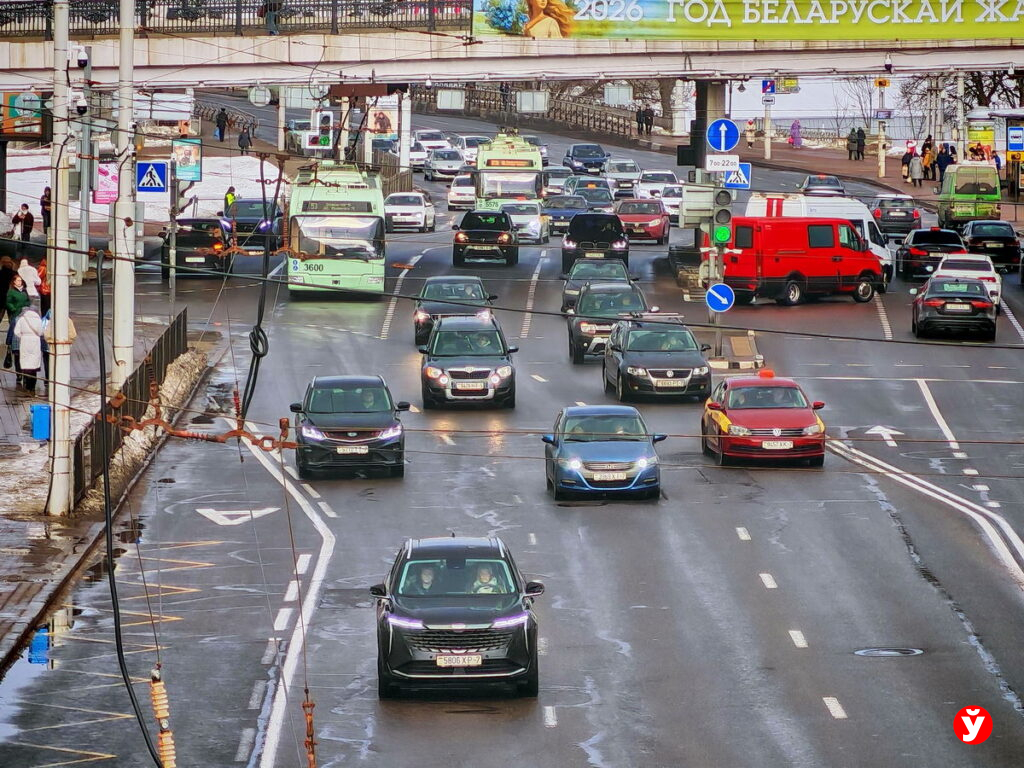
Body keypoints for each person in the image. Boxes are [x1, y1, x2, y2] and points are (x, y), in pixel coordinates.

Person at [14, 302, 43, 395]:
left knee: (26, 364)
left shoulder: (22, 319)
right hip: (35, 341)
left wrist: (22, 336)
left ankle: (27, 386)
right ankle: (32, 387)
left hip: (25, 341)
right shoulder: (38, 319)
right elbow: (41, 332)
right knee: (34, 365)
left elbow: (16, 331)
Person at [0, 256, 15, 328]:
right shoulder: (14, 274)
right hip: (11, 298)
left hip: (1, 298)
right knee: (12, 319)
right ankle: (12, 336)